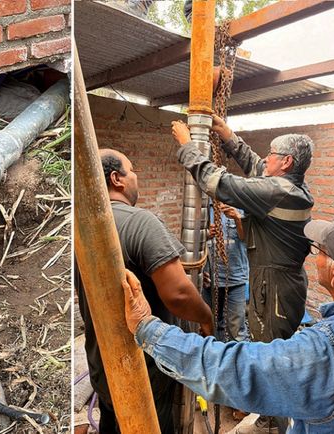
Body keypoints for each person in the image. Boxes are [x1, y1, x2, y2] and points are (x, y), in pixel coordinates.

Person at [122, 216, 334, 433]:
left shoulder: (324, 352)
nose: (313, 256)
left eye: (319, 251)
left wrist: (147, 328)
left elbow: (233, 368)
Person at [172, 117, 314, 432]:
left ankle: (278, 424)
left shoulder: (278, 191)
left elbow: (222, 184)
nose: (266, 158)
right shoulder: (289, 187)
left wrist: (187, 147)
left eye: (272, 154)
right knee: (272, 352)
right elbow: (256, 168)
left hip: (274, 288)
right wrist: (229, 137)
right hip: (278, 282)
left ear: (286, 162)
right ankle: (271, 416)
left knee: (273, 358)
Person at [75, 149, 213, 433]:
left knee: (112, 424)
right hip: (145, 369)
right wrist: (207, 318)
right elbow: (179, 295)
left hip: (102, 366)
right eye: (132, 170)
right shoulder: (140, 222)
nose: (136, 177)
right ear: (117, 179)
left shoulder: (79, 225)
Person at [204, 202, 250, 342]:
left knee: (237, 329)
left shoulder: (241, 206)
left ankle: (239, 361)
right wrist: (205, 234)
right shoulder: (204, 209)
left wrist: (237, 218)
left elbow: (246, 238)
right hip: (210, 279)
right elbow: (193, 241)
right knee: (212, 326)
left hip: (235, 277)